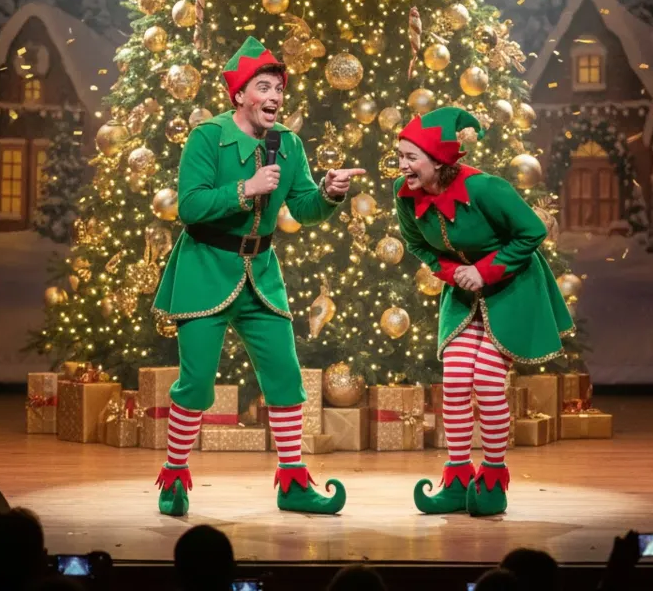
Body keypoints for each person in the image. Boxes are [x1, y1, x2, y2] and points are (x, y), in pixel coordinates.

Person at [152, 36, 365, 516]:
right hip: (205, 269)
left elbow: (303, 208)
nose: (274, 97)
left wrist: (329, 193)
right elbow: (190, 207)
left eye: (279, 89)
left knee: (286, 376)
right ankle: (174, 477)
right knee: (196, 383)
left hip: (261, 275)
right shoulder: (207, 137)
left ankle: (293, 483)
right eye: (264, 87)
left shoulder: (288, 144)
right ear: (239, 95)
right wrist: (244, 189)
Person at [393, 106, 573, 516]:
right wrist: (454, 273)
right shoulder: (404, 194)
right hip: (463, 293)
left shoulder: (486, 189)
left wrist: (485, 271)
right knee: (457, 378)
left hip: (512, 287)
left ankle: (493, 479)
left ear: (439, 160)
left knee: (488, 380)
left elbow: (532, 231)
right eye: (400, 156)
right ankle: (458, 480)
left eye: (411, 157)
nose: (402, 165)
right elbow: (418, 244)